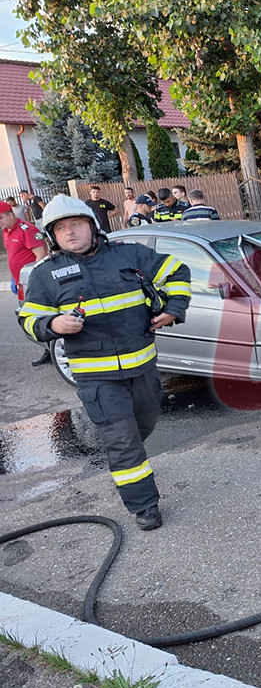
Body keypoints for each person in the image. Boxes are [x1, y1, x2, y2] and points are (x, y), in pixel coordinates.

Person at [18, 196, 191, 530]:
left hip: (143, 368)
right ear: (53, 236)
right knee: (123, 441)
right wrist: (53, 325)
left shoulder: (130, 254)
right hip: (97, 379)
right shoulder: (46, 274)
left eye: (75, 224)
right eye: (61, 228)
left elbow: (177, 272)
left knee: (143, 425)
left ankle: (124, 458)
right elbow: (28, 319)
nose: (70, 232)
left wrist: (174, 309)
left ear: (91, 226)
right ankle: (144, 506)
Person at [1, 201, 52, 367]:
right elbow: (13, 255)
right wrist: (14, 279)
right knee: (32, 317)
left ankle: (52, 349)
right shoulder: (6, 231)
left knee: (37, 316)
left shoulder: (27, 230)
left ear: (11, 214)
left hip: (33, 282)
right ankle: (48, 350)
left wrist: (33, 282)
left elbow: (41, 256)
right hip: (21, 281)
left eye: (1, 217)